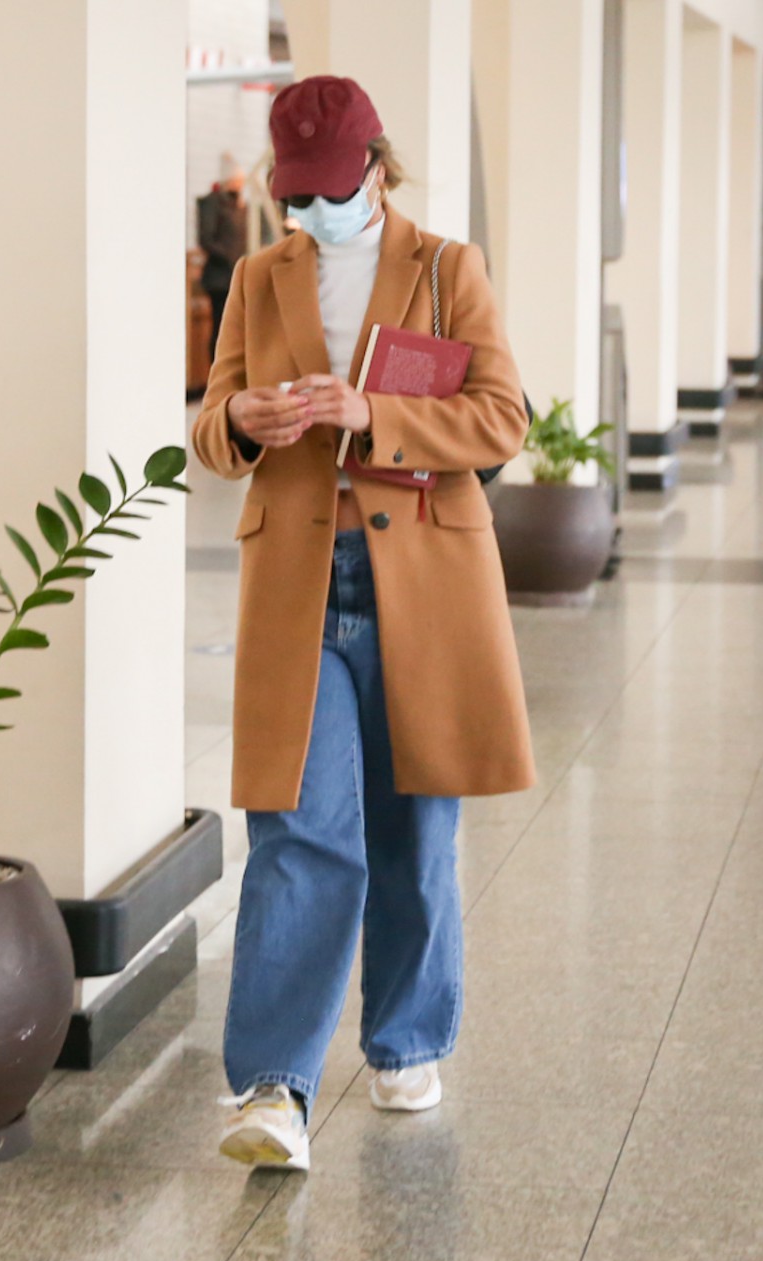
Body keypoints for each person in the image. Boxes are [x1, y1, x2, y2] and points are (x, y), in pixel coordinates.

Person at [190, 75, 532, 1172]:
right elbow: (210, 424)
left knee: (416, 826)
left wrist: (369, 411)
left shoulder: (446, 268)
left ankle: (404, 1034)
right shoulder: (258, 275)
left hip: (423, 583)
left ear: (377, 166)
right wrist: (241, 417)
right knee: (298, 826)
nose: (312, 214)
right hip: (297, 579)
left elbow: (501, 419)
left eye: (331, 191)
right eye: (297, 197)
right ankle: (274, 1083)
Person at [197, 155, 251, 355]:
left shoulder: (242, 204)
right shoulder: (213, 203)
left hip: (239, 272)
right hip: (220, 277)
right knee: (220, 327)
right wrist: (231, 258)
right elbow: (206, 239)